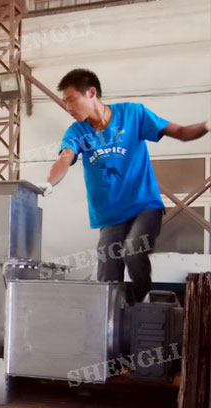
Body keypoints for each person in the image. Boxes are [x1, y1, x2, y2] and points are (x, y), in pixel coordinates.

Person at [38, 68, 210, 302]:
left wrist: (206, 125)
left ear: (91, 92)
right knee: (107, 275)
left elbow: (180, 132)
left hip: (144, 207)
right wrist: (49, 183)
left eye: (71, 100)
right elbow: (64, 158)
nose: (68, 108)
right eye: (64, 102)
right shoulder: (77, 132)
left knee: (133, 250)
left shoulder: (133, 115)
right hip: (110, 217)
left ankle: (141, 298)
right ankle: (113, 317)